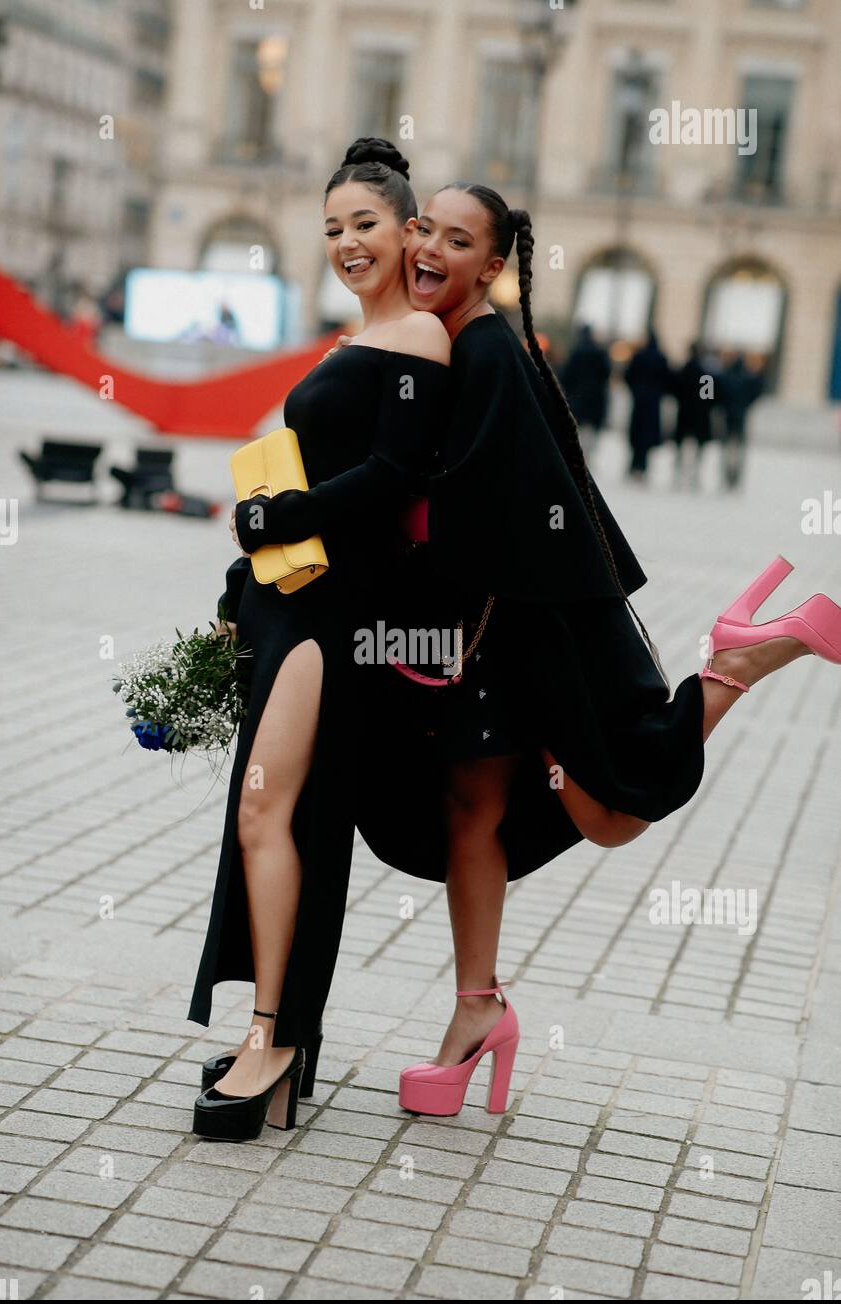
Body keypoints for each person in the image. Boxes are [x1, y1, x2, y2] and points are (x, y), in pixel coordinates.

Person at [341, 181, 841, 1120]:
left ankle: (732, 666)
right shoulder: (466, 342)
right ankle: (475, 1012)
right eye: (424, 230)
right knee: (474, 813)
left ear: (491, 265)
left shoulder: (485, 348)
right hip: (499, 628)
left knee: (609, 812)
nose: (428, 249)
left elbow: (487, 504)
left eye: (457, 239)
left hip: (519, 633)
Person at [187, 138, 450, 1142]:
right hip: (281, 603)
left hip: (335, 618)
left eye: (365, 224)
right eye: (333, 227)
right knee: (269, 820)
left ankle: (277, 1039)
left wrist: (278, 519)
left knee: (275, 818)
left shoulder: (419, 341)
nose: (346, 242)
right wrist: (233, 579)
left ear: (406, 230)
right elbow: (296, 465)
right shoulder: (347, 344)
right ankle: (278, 1034)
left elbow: (394, 477)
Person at [559, 322, 611, 463]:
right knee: (591, 427)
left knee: (577, 426)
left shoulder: (577, 352)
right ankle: (587, 455)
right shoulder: (600, 353)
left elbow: (567, 375)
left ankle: (576, 453)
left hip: (578, 395)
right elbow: (606, 373)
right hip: (595, 396)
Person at [624, 328, 671, 482]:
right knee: (646, 436)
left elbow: (628, 375)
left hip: (639, 401)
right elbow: (667, 380)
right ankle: (642, 467)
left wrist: (636, 390)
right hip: (653, 403)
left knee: (637, 435)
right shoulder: (661, 358)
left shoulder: (639, 356)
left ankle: (633, 466)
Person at [671, 341, 716, 490]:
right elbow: (709, 397)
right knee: (698, 447)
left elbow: (676, 389)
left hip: (685, 412)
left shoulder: (685, 369)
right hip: (700, 415)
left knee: (681, 445)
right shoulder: (706, 373)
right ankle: (694, 476)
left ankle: (678, 473)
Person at [717, 352, 764, 490]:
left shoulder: (726, 378)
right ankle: (736, 477)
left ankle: (725, 474)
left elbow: (716, 393)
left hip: (728, 416)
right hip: (741, 416)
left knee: (726, 448)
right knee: (739, 448)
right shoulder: (748, 379)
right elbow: (757, 390)